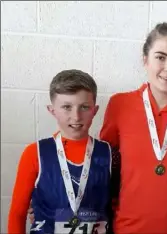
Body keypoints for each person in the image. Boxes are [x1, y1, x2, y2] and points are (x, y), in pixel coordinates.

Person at [99, 22, 167, 234]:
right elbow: (100, 168)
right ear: (145, 60)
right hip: (129, 227)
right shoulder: (120, 105)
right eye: (161, 57)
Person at [8, 69, 112, 234]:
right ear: (52, 110)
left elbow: (119, 207)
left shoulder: (109, 153)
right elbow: (17, 213)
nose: (76, 116)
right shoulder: (35, 153)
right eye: (66, 107)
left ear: (95, 110)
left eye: (84, 107)